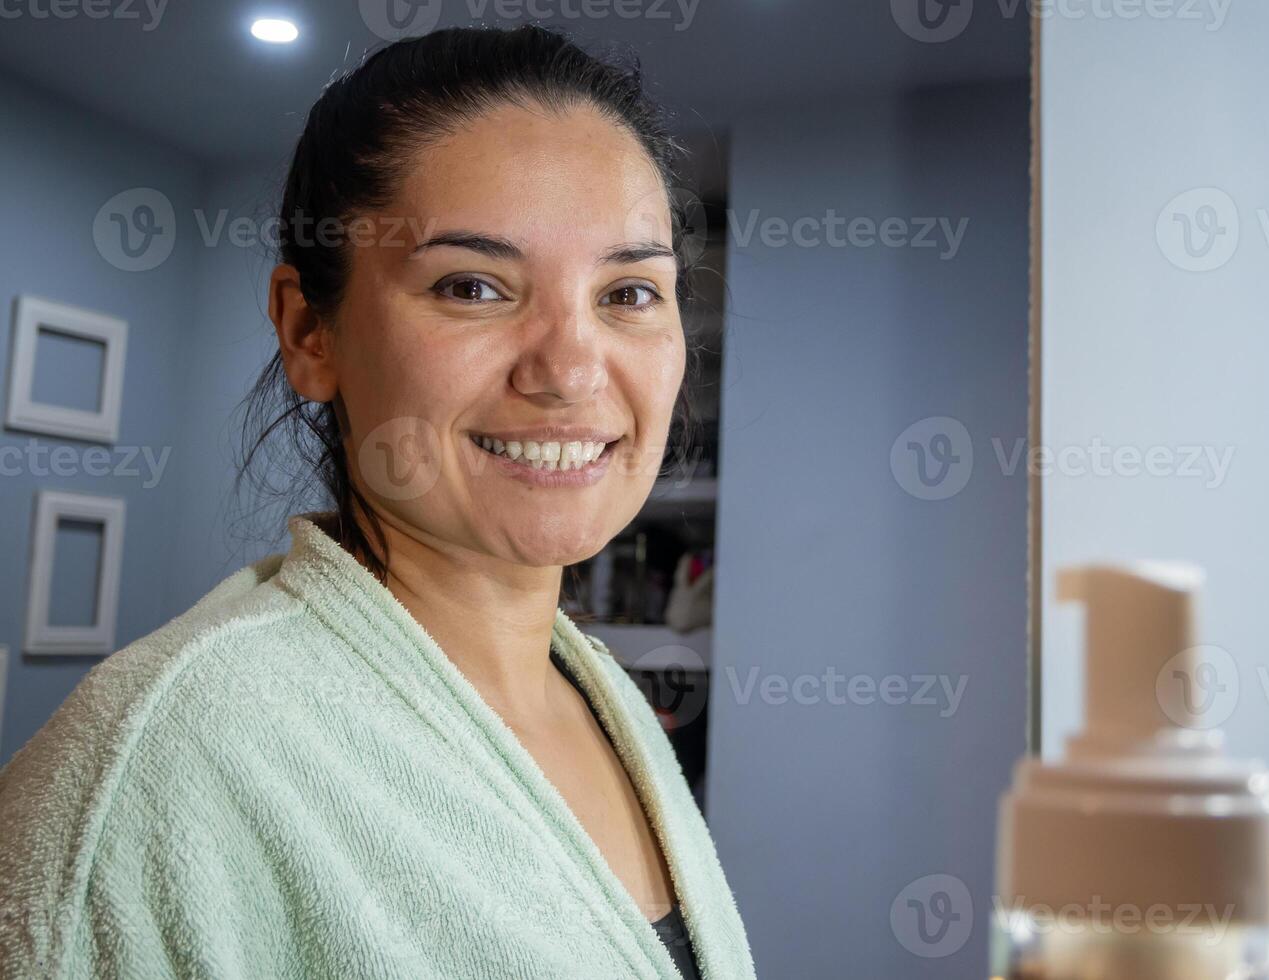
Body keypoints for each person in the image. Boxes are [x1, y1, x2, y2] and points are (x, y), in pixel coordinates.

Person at [0, 25, 754, 980]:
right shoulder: (159, 765)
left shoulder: (608, 703)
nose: (569, 370)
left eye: (630, 292)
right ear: (310, 330)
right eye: (474, 286)